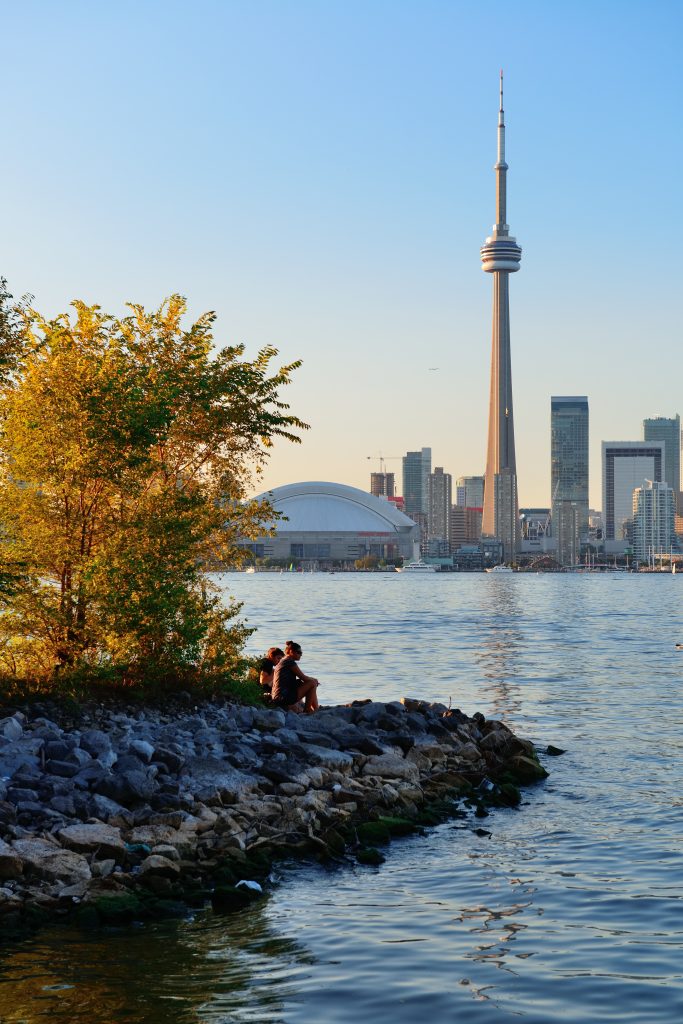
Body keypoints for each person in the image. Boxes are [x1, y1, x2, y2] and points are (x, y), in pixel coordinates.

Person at [271, 640, 320, 713]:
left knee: (309, 682)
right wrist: (314, 680)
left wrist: (312, 680)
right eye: (299, 652)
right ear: (291, 652)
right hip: (283, 698)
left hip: (278, 696)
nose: (301, 655)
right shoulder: (289, 662)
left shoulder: (284, 660)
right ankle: (307, 710)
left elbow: (301, 679)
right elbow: (303, 677)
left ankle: (316, 709)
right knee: (312, 683)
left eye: (301, 653)